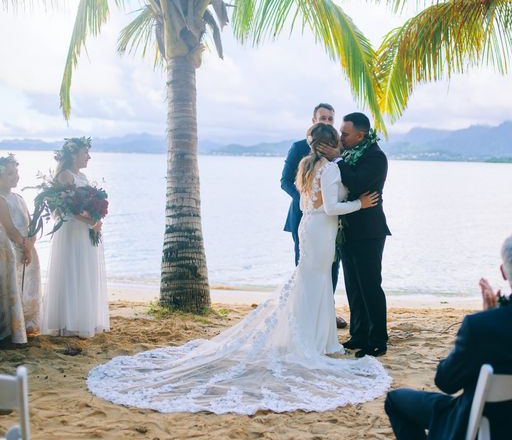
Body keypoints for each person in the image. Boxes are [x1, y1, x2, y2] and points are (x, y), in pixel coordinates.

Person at [87, 123, 391, 415]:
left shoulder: (307, 166)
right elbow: (330, 207)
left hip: (310, 229)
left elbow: (303, 206)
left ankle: (317, 338)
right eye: (336, 140)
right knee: (317, 281)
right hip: (321, 229)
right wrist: (359, 205)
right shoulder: (331, 167)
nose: (340, 142)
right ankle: (316, 341)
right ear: (329, 145)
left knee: (312, 281)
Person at [384, 230, 512, 440]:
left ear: (503, 273)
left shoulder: (481, 326)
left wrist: (487, 320)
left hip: (489, 426)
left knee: (395, 400)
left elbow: (446, 382)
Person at [319, 112, 391, 358]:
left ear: (361, 135)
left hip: (369, 231)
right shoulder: (350, 154)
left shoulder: (375, 157)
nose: (341, 137)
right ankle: (359, 334)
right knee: (353, 286)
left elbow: (358, 183)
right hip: (348, 230)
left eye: (345, 134)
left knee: (370, 286)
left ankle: (378, 340)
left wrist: (338, 160)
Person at [281, 103, 347, 329]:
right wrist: (307, 200)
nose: (326, 122)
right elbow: (285, 181)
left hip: (330, 220)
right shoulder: (299, 147)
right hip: (304, 216)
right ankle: (301, 315)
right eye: (322, 118)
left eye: (330, 119)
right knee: (306, 265)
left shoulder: (340, 149)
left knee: (331, 266)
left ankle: (327, 311)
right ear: (313, 121)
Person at [42, 137, 109, 338]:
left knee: (84, 272)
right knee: (72, 270)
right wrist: (91, 221)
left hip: (85, 230)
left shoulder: (84, 177)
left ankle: (81, 318)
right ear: (73, 154)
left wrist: (97, 217)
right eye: (85, 153)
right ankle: (68, 321)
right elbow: (66, 210)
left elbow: (87, 205)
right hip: (71, 230)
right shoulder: (65, 176)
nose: (88, 157)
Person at [0, 154, 41, 343]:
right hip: (12, 248)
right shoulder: (1, 199)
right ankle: (12, 328)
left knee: (27, 286)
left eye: (16, 173)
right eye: (10, 174)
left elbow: (31, 223)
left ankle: (26, 323)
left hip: (26, 245)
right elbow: (10, 228)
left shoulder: (19, 197)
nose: (15, 177)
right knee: (13, 285)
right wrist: (24, 247)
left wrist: (32, 241)